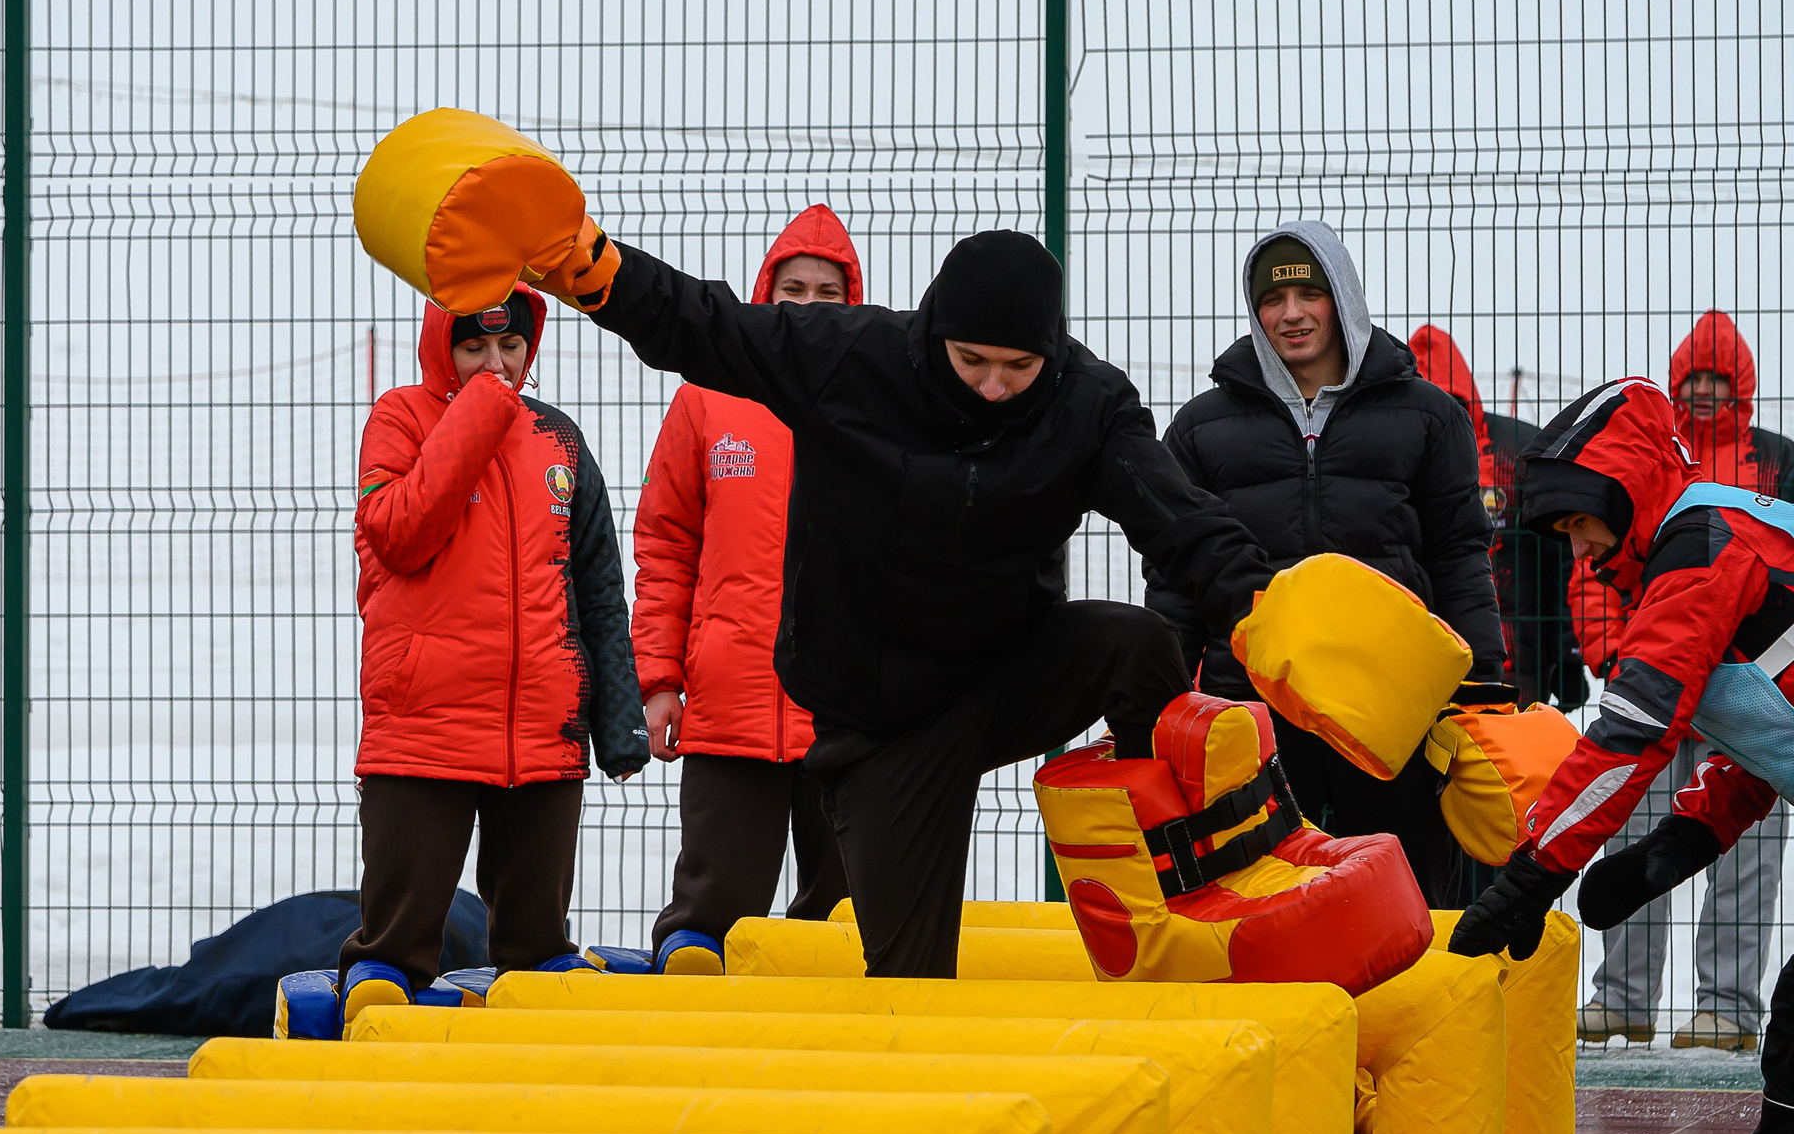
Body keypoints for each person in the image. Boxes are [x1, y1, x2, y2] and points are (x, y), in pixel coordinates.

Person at [527, 220, 1279, 980]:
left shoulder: (1086, 406)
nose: (993, 385)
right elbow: (702, 322)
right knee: (910, 979)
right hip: (883, 724)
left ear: (1051, 349)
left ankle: (1180, 884)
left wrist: (1270, 617)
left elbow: (1183, 521)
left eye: (1018, 366)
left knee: (1138, 642)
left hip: (1005, 673)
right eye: (972, 361)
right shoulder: (851, 359)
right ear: (936, 335)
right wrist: (593, 270)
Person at [1449, 377, 1794, 1134]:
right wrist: (1676, 845)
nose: (1574, 547)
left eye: (1576, 523)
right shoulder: (1707, 545)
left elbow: (1632, 731)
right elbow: (1773, 726)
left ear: (1620, 491)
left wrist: (1533, 871)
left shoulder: (1700, 551)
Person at [1146, 226, 1503, 915]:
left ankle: (1407, 1025)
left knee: (1408, 904)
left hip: (1392, 706)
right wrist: (1161, 700)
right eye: (1273, 296)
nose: (1293, 312)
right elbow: (1175, 580)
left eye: (1310, 291)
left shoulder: (1428, 416)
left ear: (1344, 297)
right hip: (1254, 705)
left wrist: (1483, 684)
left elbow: (1459, 551)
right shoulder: (1199, 428)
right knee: (1261, 904)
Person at [342, 288, 649, 1019]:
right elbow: (397, 532)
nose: (496, 363)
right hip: (426, 728)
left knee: (538, 951)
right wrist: (478, 411)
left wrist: (618, 719)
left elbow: (599, 586)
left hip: (541, 736)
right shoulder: (401, 418)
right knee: (392, 955)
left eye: (510, 347)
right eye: (474, 347)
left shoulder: (559, 440)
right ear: (441, 346)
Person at [635, 206, 860, 973]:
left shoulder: (879, 398)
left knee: (843, 918)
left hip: (848, 706)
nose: (806, 303)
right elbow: (666, 545)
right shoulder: (708, 396)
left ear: (851, 302)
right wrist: (660, 679)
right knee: (711, 913)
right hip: (731, 698)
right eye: (792, 287)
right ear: (766, 295)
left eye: (827, 292)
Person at [1574, 313, 1793, 1050]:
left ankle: (1726, 1007)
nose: (1703, 392)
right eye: (1693, 381)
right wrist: (1615, 652)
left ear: (1744, 388)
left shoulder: (1778, 459)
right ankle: (1623, 998)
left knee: (1745, 855)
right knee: (1631, 840)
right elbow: (1593, 565)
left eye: (1717, 381)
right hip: (1657, 686)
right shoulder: (1646, 463)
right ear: (1675, 386)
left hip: (1751, 695)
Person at [1407, 325, 1589, 715]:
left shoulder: (1519, 452)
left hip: (1517, 665)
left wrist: (1569, 653)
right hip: (1417, 663)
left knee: (1512, 771)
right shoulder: (1390, 458)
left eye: (1449, 402)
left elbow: (1559, 558)